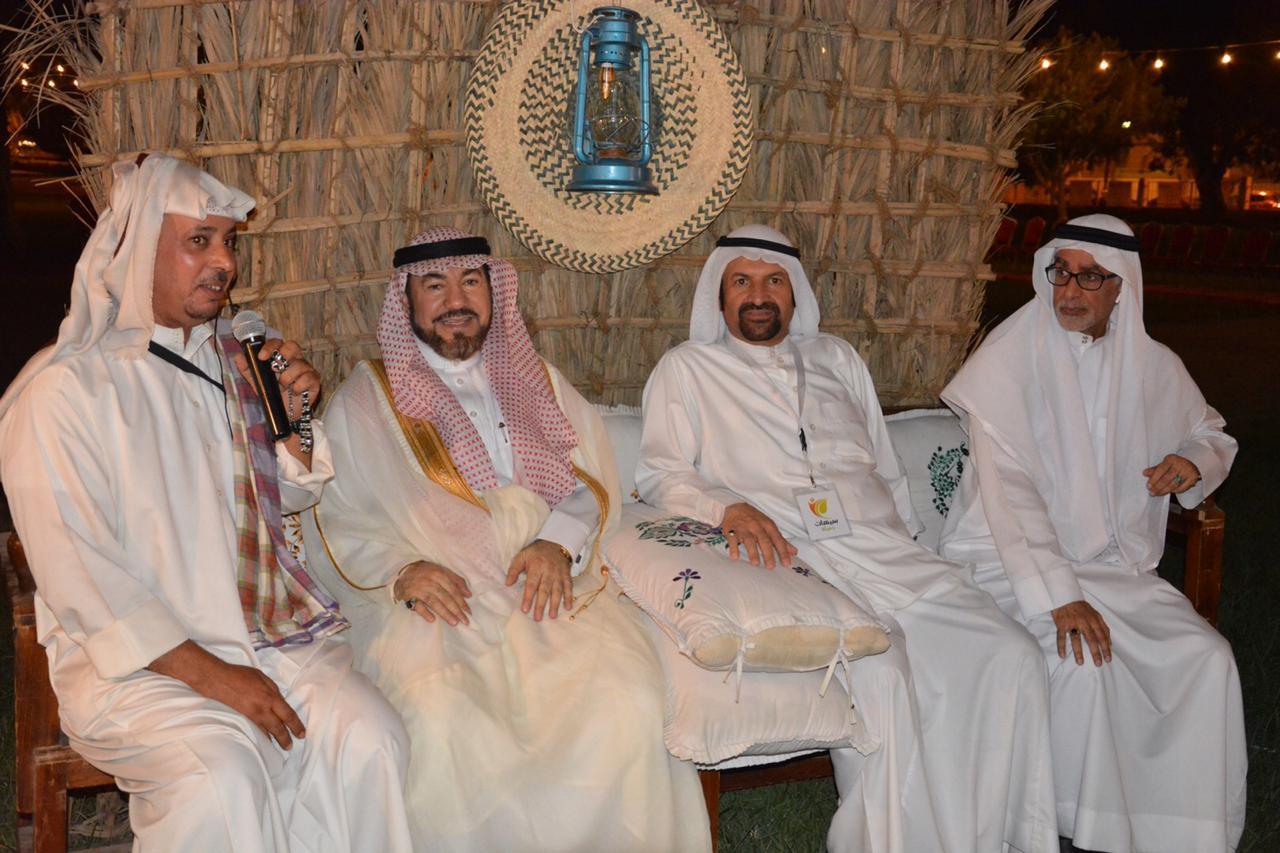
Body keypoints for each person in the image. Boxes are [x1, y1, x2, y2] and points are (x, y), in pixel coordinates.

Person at [0, 154, 413, 851]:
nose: (224, 262)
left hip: (261, 634)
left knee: (370, 738)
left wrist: (296, 419)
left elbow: (289, 494)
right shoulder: (64, 393)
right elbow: (83, 576)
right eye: (199, 240)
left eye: (228, 242)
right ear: (136, 250)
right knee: (221, 776)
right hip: (135, 667)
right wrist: (216, 677)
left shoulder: (237, 359)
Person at [635, 224, 1058, 853]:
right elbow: (659, 474)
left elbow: (885, 466)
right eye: (742, 281)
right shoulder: (688, 369)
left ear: (796, 294)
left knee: (1011, 653)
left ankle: (993, 837)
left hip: (885, 550)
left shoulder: (836, 359)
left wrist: (914, 543)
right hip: (791, 557)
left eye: (774, 281)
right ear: (719, 297)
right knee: (885, 674)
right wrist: (727, 507)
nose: (759, 295)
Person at [307, 226, 711, 852]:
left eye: (470, 281)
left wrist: (557, 543)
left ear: (493, 290)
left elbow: (590, 479)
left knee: (626, 701)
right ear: (405, 301)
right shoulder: (367, 400)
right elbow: (337, 516)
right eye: (434, 285)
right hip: (441, 597)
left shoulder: (536, 376)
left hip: (543, 580)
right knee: (442, 721)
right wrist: (402, 571)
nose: (455, 300)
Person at [939, 214, 1245, 853]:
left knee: (1207, 658)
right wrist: (1059, 597)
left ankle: (1179, 834)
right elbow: (1011, 498)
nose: (1071, 290)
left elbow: (1211, 431)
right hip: (1008, 562)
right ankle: (1076, 831)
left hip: (1113, 568)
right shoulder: (1008, 359)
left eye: (1090, 277)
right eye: (1061, 273)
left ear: (1122, 287)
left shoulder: (1153, 364)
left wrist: (1192, 461)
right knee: (1084, 663)